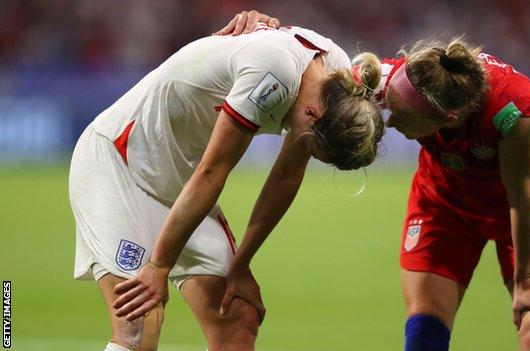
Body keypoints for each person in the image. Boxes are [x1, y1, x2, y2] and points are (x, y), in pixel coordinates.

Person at [219, 11, 530, 351]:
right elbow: (307, 77)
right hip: (444, 207)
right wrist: (268, 31)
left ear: (447, 118)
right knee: (424, 337)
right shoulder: (385, 79)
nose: (389, 123)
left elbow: (521, 195)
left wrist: (526, 280)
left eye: (401, 117)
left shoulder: (514, 110)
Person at [69, 23, 384, 351]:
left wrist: (241, 263)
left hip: (178, 183)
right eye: (311, 147)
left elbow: (286, 176)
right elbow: (212, 171)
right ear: (312, 114)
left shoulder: (337, 81)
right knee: (139, 324)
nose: (304, 150)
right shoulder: (273, 75)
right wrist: (159, 265)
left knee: (237, 319)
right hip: (120, 162)